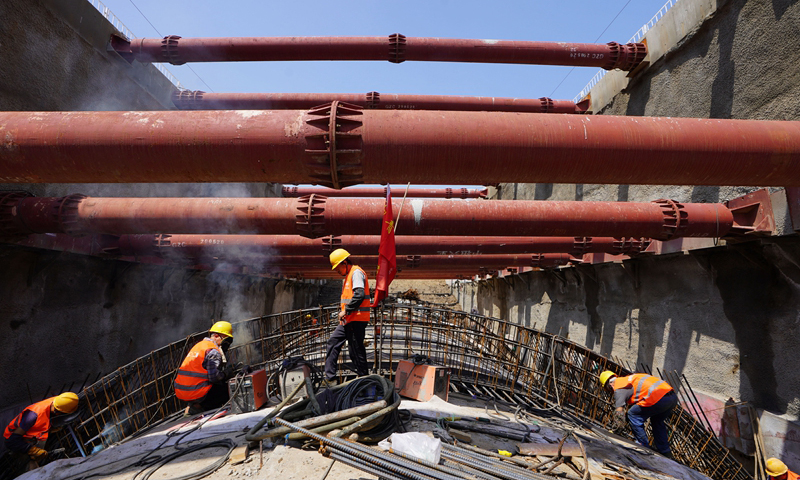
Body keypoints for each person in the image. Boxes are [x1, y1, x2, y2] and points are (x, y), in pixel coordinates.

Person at [599, 370, 678, 457]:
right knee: (657, 420)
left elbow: (619, 412)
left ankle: (643, 446)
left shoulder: (619, 388)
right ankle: (666, 452)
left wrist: (616, 430)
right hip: (672, 398)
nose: (611, 392)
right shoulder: (627, 380)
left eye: (608, 390)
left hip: (658, 397)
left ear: (610, 385)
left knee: (633, 415)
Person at [324, 248, 371, 382]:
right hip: (349, 320)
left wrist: (346, 310)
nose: (337, 271)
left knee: (356, 351)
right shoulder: (348, 276)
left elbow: (359, 295)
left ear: (344, 262)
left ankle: (365, 381)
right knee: (333, 343)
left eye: (337, 268)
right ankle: (330, 378)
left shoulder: (356, 273)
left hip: (356, 319)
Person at [174, 321, 235, 415]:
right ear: (216, 336)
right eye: (227, 340)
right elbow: (214, 378)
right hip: (195, 392)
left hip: (181, 391)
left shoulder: (199, 345)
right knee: (227, 390)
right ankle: (200, 407)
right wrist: (226, 374)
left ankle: (192, 405)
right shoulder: (213, 351)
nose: (227, 344)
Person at [3, 392, 80, 463]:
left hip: (32, 436)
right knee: (31, 468)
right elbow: (12, 441)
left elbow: (43, 421)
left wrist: (49, 429)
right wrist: (31, 450)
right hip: (15, 440)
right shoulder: (32, 416)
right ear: (58, 410)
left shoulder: (60, 401)